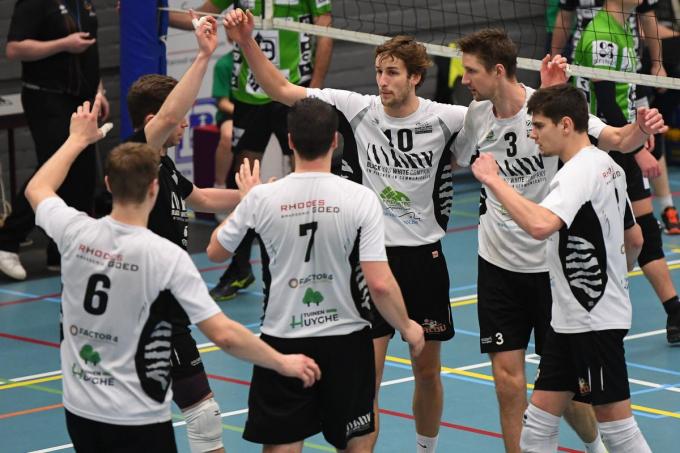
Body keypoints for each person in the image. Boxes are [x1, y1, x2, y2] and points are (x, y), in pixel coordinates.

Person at [23, 94, 321, 453]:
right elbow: (224, 334)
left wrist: (76, 140)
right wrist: (282, 361)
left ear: (108, 183)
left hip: (80, 414)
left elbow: (37, 188)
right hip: (137, 420)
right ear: (154, 187)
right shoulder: (165, 258)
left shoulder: (74, 231)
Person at [452, 28, 667, 453]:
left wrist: (494, 180)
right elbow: (635, 238)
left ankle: (595, 446)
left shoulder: (576, 164)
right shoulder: (481, 117)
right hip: (512, 273)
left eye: (471, 70)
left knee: (608, 420)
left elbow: (619, 143)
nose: (533, 135)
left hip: (572, 294)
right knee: (529, 410)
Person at [206, 97, 424, 452]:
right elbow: (379, 283)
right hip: (346, 341)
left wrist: (247, 201)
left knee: (283, 444)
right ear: (335, 141)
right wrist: (407, 326)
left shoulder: (263, 198)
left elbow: (216, 250)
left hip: (283, 339)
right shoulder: (361, 198)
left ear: (289, 141)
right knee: (355, 442)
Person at [123, 14, 259, 453]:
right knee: (201, 414)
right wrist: (204, 54)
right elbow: (168, 114)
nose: (184, 125)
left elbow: (200, 197)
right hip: (146, 308)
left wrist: (254, 195)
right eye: (180, 119)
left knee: (183, 415)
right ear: (155, 121)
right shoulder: (138, 157)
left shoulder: (162, 165)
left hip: (168, 303)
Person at [170, 0, 333, 302]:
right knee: (243, 176)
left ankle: (317, 263)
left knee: (308, 175)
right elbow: (201, 13)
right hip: (249, 94)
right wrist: (150, 11)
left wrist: (316, 88)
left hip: (293, 89)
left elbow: (325, 32)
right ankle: (240, 267)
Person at [574, 0, 680, 344]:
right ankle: (590, 312)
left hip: (622, 141)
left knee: (642, 233)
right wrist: (636, 149)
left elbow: (627, 91)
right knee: (612, 238)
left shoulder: (625, 26)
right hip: (601, 147)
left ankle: (674, 312)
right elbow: (605, 101)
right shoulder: (602, 34)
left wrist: (641, 127)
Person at [0, 0, 110, 280]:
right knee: (54, 167)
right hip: (47, 97)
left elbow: (91, 48)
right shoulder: (35, 2)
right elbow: (14, 49)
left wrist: (99, 91)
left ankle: (63, 252)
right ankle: (7, 242)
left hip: (81, 97)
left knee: (82, 175)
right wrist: (63, 44)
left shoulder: (83, 3)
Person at [212, 49, 235, 217]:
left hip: (260, 111)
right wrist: (245, 113)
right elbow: (223, 102)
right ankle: (219, 186)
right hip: (232, 114)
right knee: (228, 136)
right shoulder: (224, 64)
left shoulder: (265, 61)